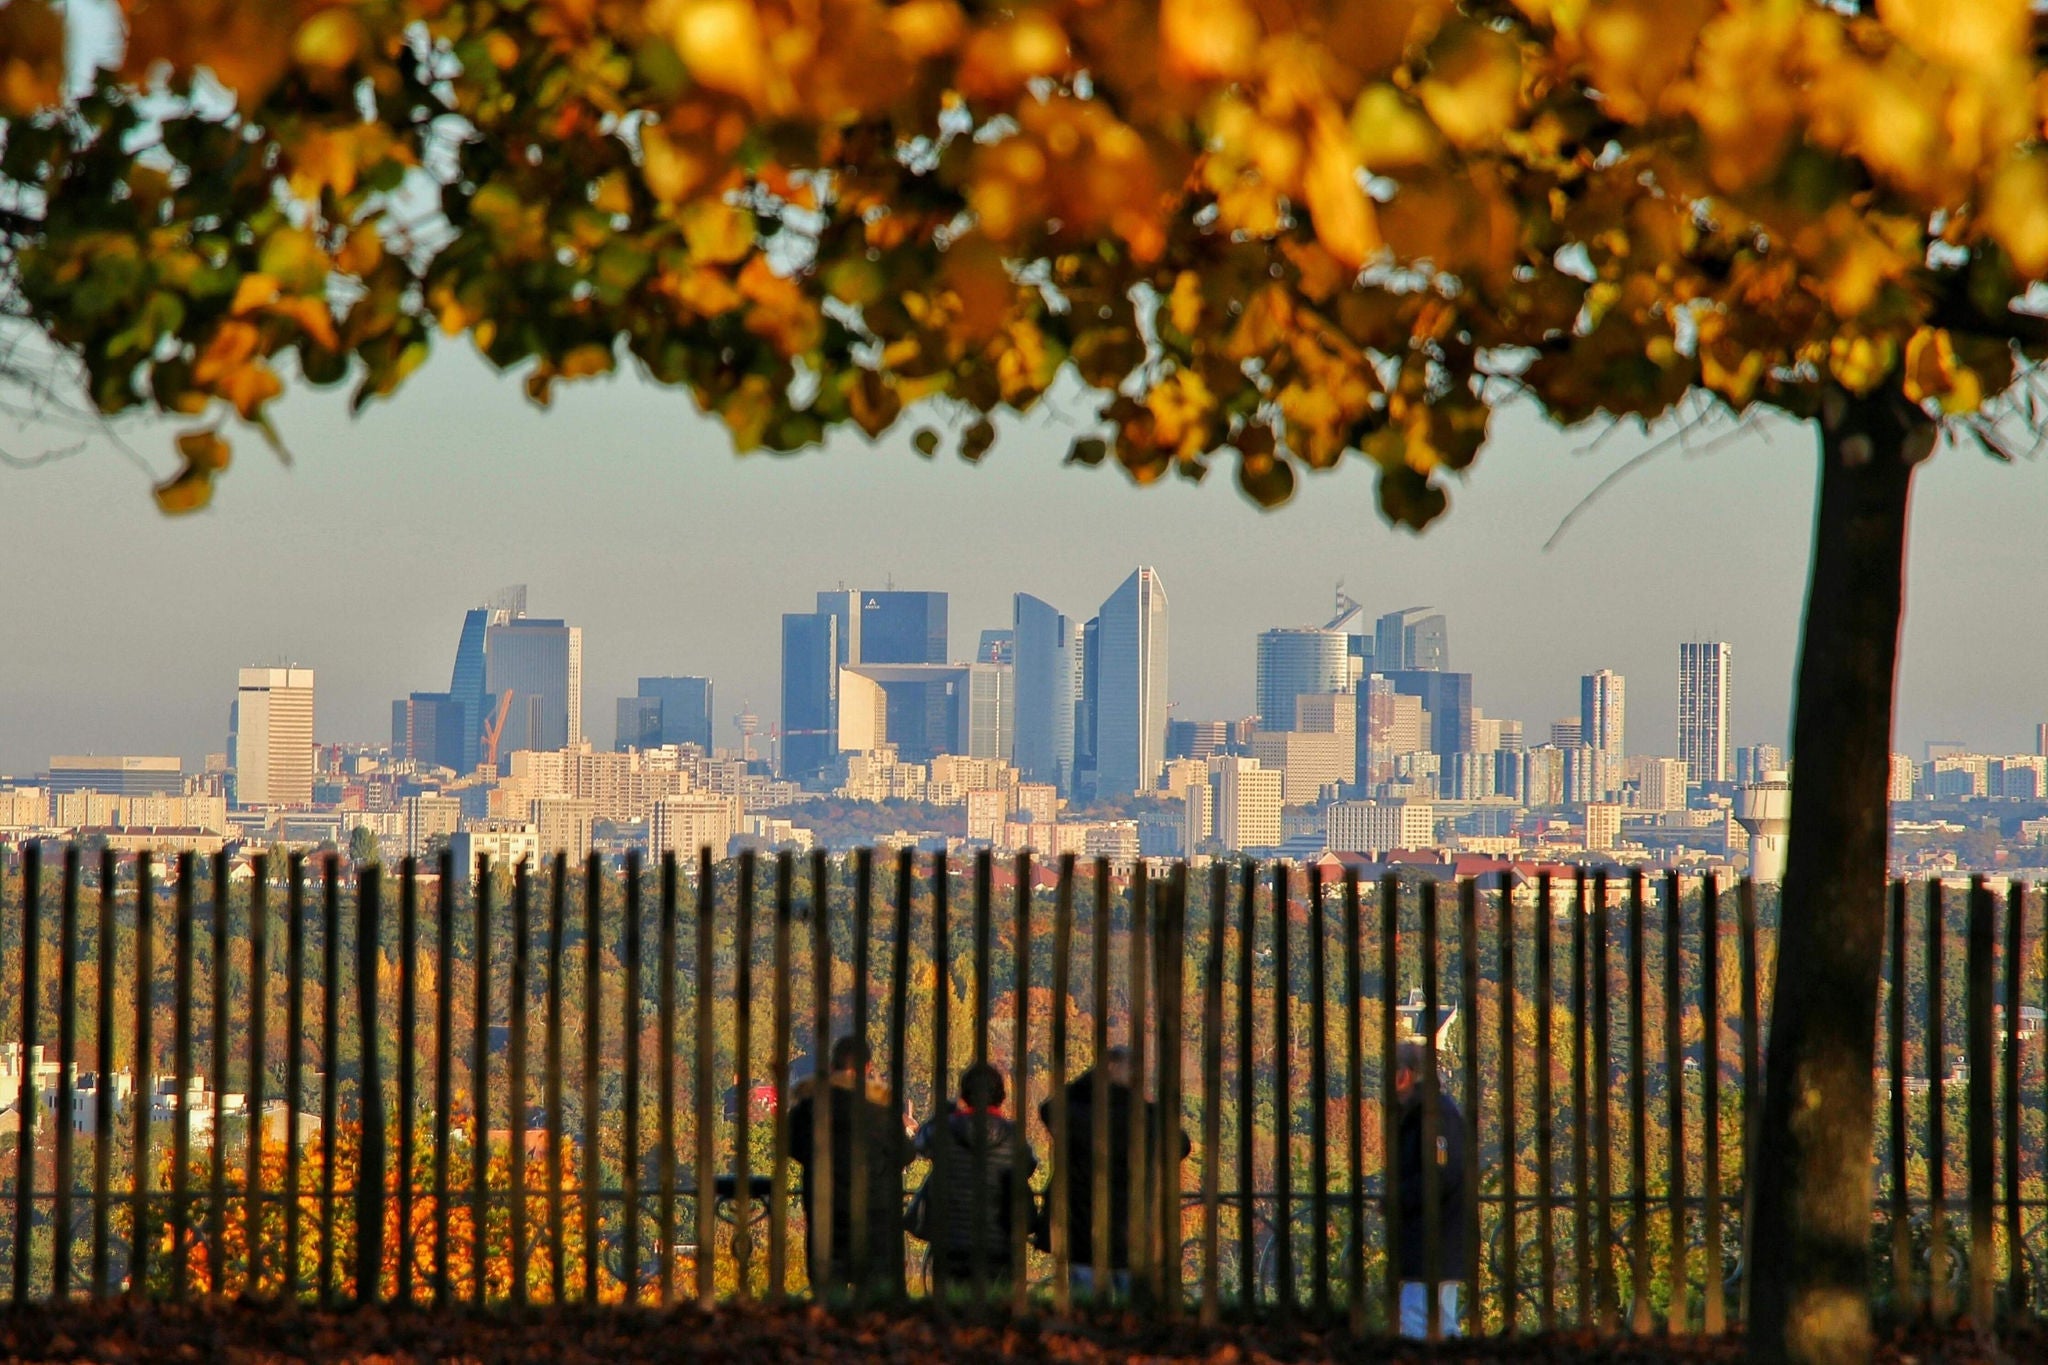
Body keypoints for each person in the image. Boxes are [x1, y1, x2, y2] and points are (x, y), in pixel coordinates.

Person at [1036, 1046, 1190, 1301]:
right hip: (1135, 1234)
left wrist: (1093, 1079)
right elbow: (1182, 1145)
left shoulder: (1079, 1115)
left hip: (1085, 1233)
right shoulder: (1151, 1120)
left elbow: (1049, 1107)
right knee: (1136, 1315)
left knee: (1085, 1309)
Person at [787, 1035, 912, 1298]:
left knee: (827, 1298)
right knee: (876, 1301)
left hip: (825, 1213)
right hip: (875, 1214)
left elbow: (792, 1146)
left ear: (832, 1066)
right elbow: (905, 1153)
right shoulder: (881, 1110)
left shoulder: (809, 1106)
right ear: (867, 1068)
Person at [911, 1062, 1035, 1292]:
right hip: (999, 1242)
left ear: (964, 1095)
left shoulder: (945, 1130)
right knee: (997, 1311)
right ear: (1001, 1096)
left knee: (950, 1310)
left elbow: (919, 1142)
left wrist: (946, 1109)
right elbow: (1029, 1166)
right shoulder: (1013, 1136)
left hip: (950, 1240)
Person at [1392, 1036, 1467, 1338]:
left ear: (1403, 1076)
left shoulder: (1430, 1115)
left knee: (1418, 1320)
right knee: (1432, 1320)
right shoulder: (1431, 1112)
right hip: (1437, 1240)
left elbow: (1439, 1175)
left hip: (1432, 1240)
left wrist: (1400, 1198)